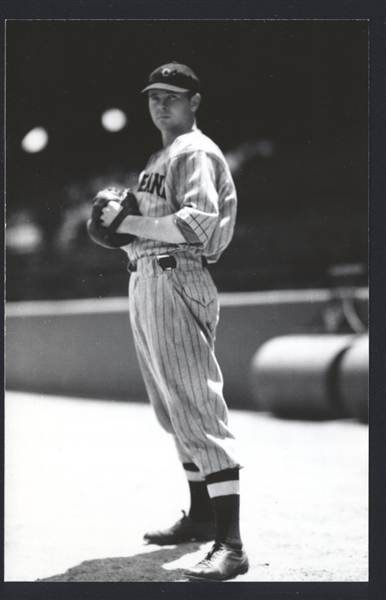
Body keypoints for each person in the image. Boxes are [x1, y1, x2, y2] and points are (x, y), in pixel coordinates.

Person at [99, 62, 249, 581]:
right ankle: (203, 515)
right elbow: (140, 221)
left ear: (194, 101)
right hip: (145, 277)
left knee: (197, 405)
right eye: (154, 96)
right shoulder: (161, 156)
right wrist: (120, 223)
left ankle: (231, 544)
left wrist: (130, 222)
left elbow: (198, 226)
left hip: (176, 274)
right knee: (172, 409)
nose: (161, 104)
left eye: (173, 95)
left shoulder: (194, 150)